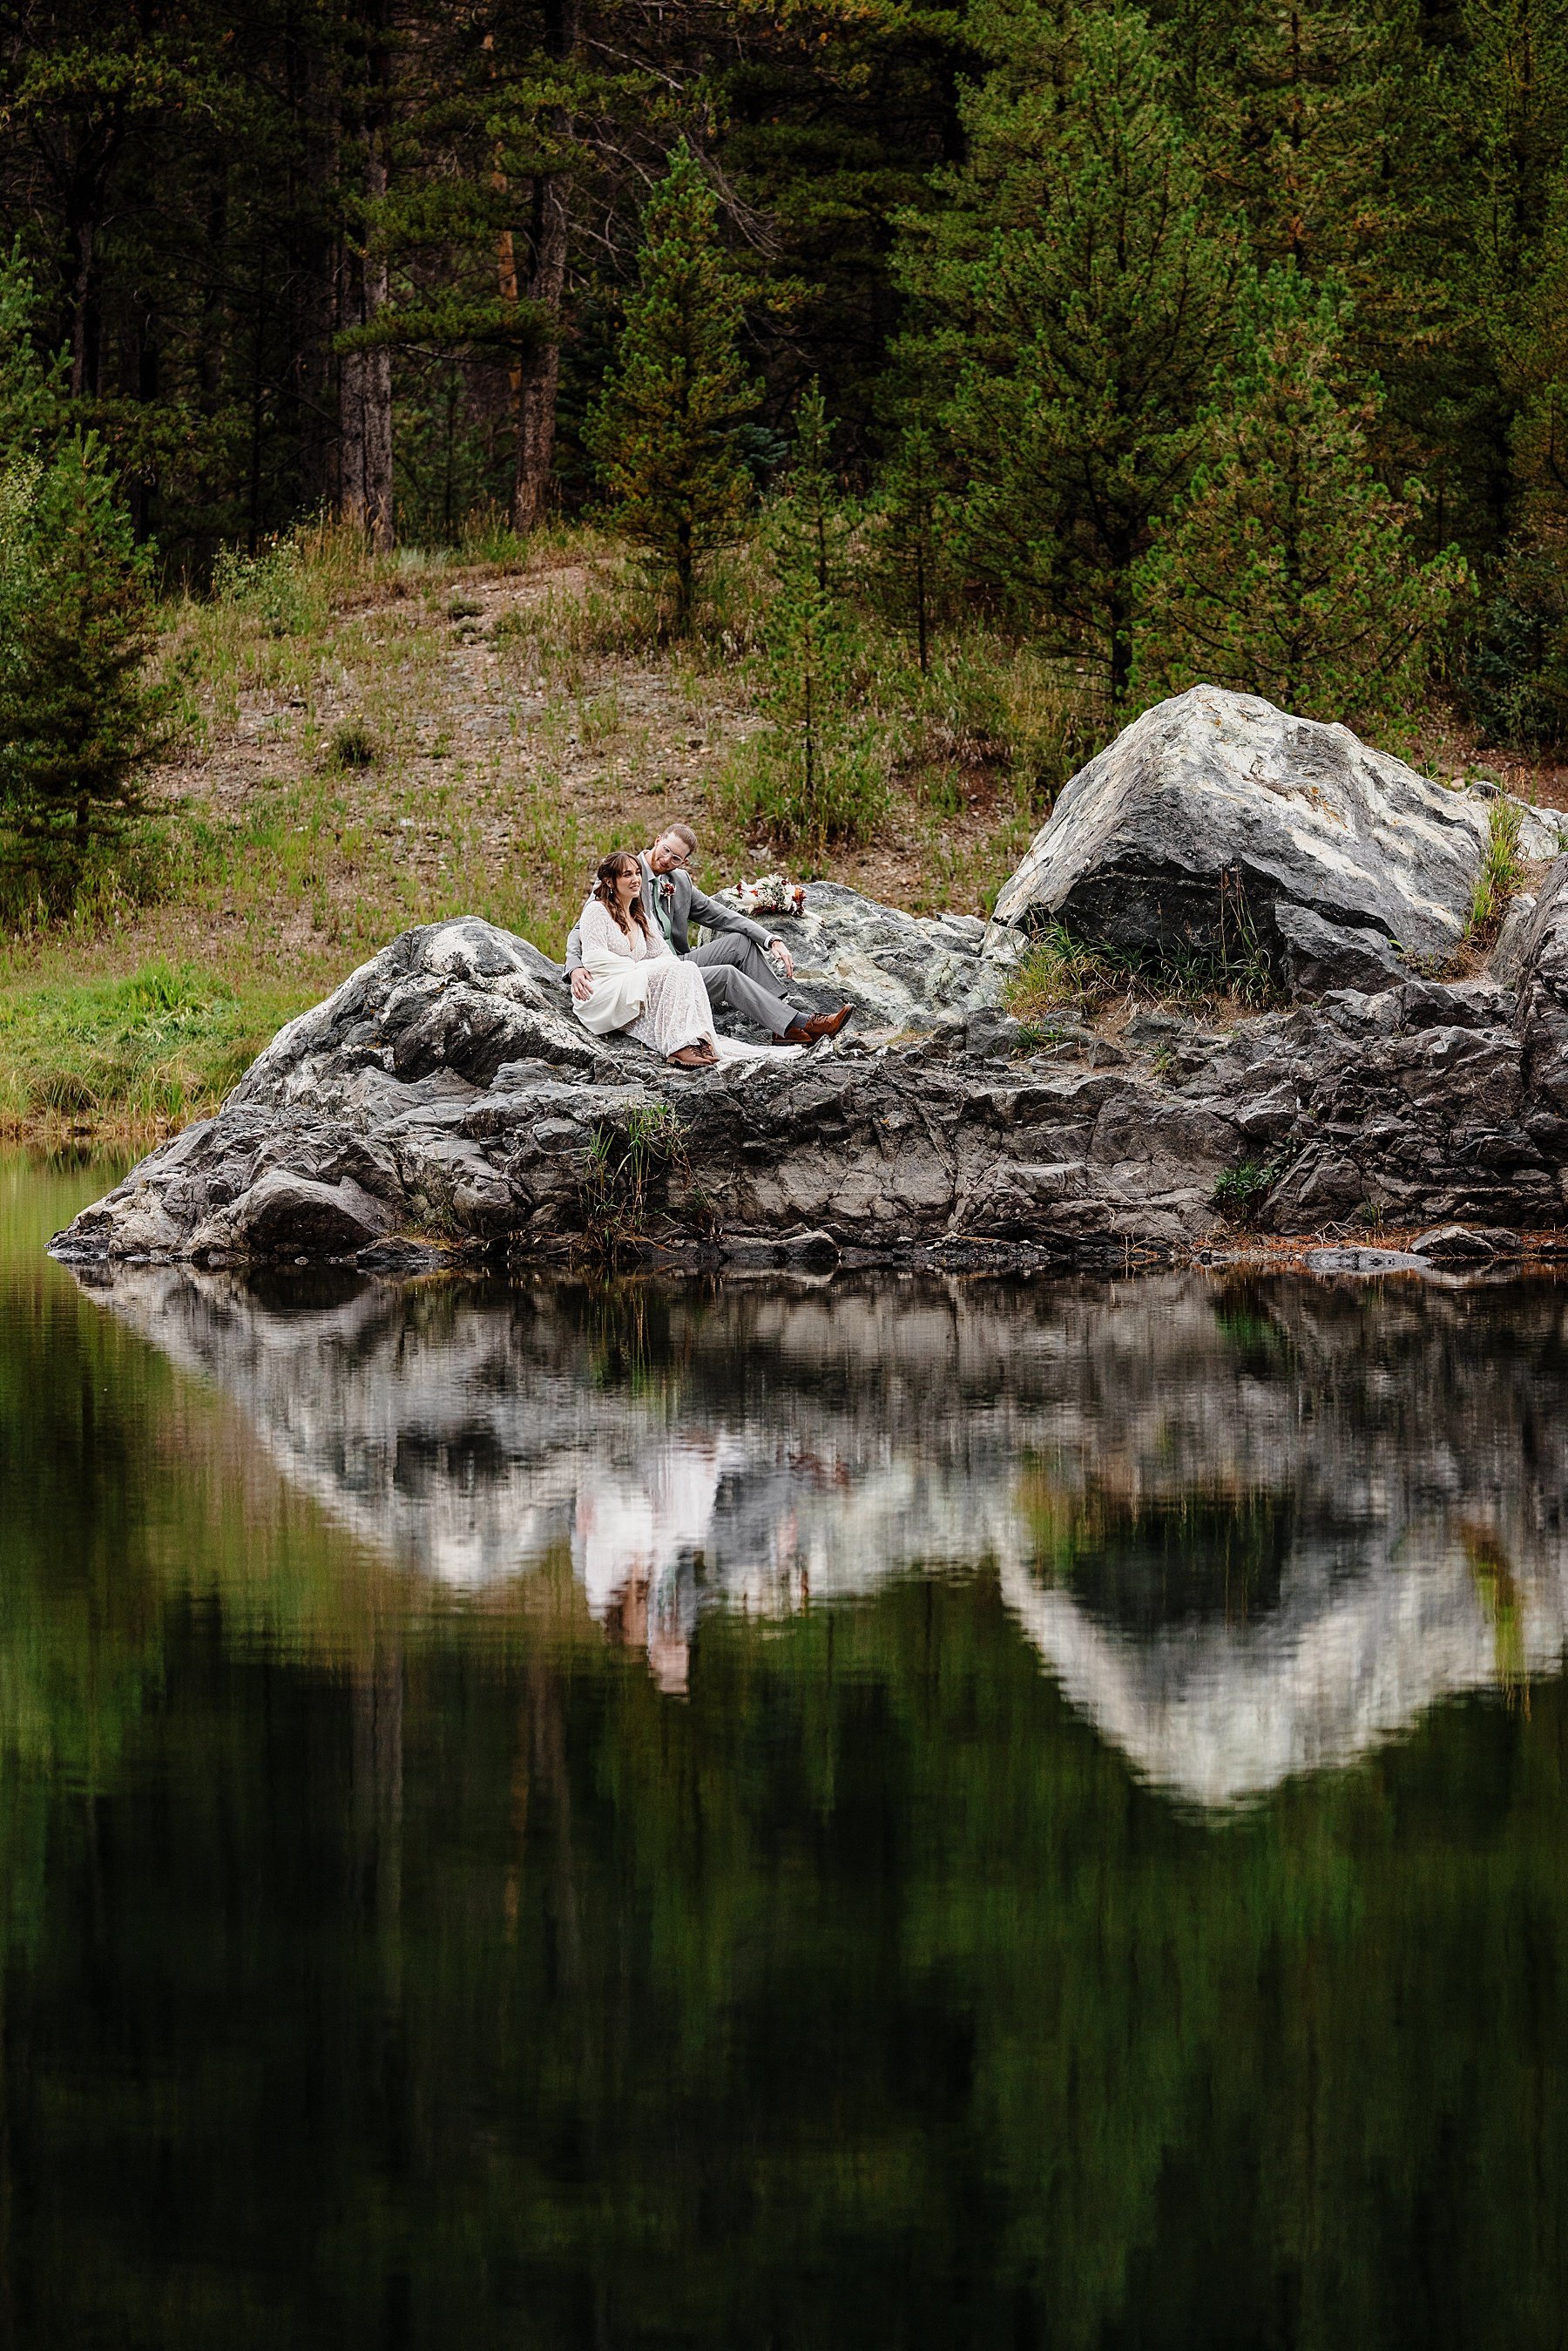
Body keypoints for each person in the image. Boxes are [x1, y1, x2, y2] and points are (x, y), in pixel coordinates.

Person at [564, 823, 851, 1046]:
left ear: (684, 862)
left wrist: (770, 938)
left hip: (678, 960)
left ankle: (781, 1021)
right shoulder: (623, 874)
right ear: (657, 841)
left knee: (740, 942)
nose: (666, 860)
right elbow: (582, 927)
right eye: (665, 850)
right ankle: (800, 1023)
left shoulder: (680, 881)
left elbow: (721, 915)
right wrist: (576, 968)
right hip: (644, 974)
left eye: (676, 858)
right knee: (726, 975)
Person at [571, 850, 719, 1069]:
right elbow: (594, 958)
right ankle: (679, 1045)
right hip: (603, 990)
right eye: (627, 875)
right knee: (670, 971)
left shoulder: (639, 915)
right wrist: (640, 968)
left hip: (631, 983)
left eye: (638, 873)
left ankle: (695, 1038)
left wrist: (645, 969)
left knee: (687, 967)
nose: (636, 880)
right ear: (610, 882)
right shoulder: (596, 911)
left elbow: (664, 955)